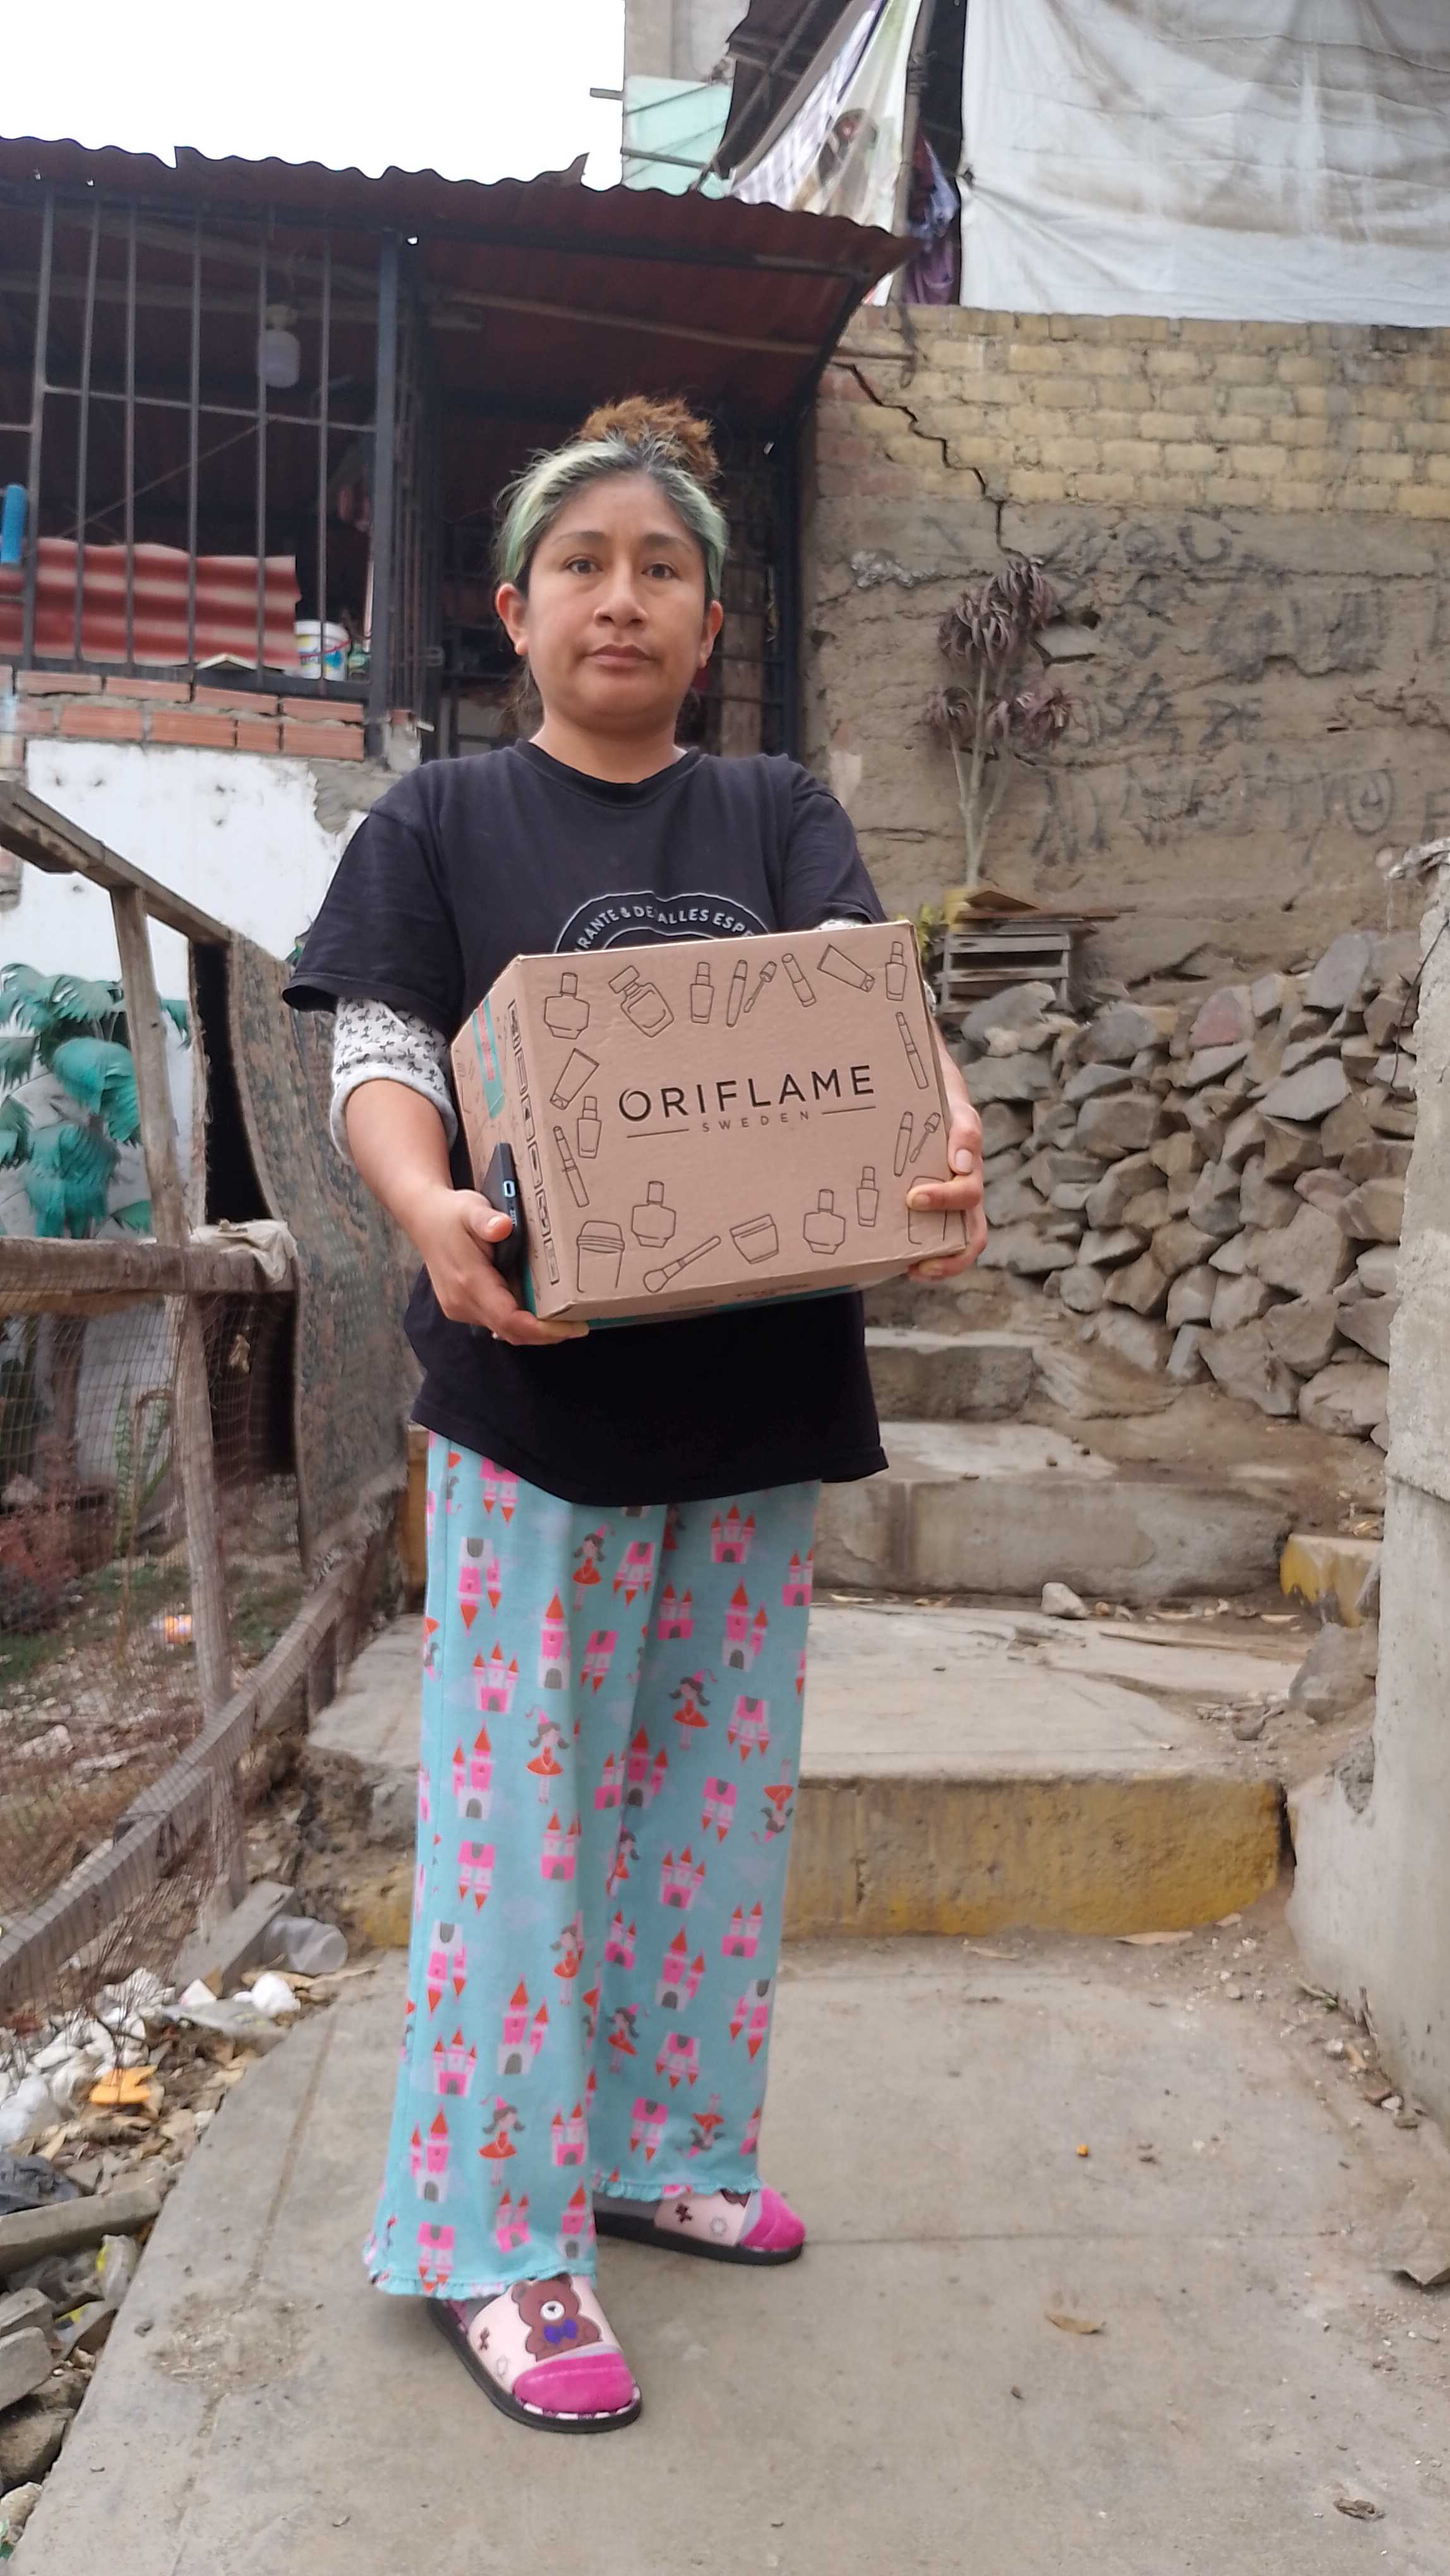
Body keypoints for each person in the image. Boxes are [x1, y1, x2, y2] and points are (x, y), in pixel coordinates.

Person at [284, 395, 985, 2433]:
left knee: (708, 1806)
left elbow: (868, 1013)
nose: (622, 596)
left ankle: (661, 2149)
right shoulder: (441, 824)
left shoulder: (771, 811)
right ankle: (493, 2239)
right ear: (516, 610)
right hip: (539, 1402)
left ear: (708, 623)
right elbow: (382, 1052)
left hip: (755, 1400)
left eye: (662, 568)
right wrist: (427, 1212)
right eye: (581, 565)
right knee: (522, 1826)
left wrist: (940, 1141)